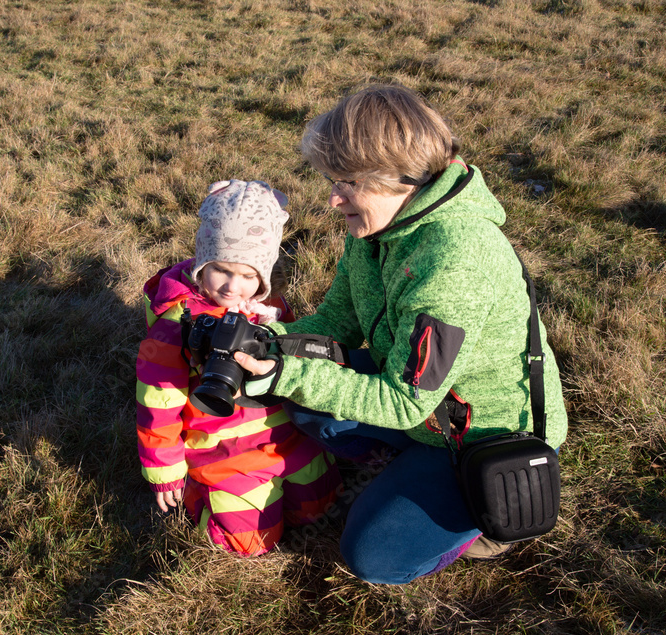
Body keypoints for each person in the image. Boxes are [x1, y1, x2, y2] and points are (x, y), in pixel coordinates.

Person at [234, 85, 568, 583]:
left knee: (375, 558)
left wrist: (286, 372)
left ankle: (480, 525)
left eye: (347, 182)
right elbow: (336, 324)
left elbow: (403, 403)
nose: (332, 198)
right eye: (332, 179)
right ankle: (405, 463)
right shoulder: (378, 229)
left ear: (402, 179)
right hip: (423, 402)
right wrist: (266, 339)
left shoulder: (454, 263)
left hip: (482, 437)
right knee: (305, 399)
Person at [135, 179, 342, 557]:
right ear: (202, 262)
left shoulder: (268, 305)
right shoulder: (178, 326)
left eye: (248, 276)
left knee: (321, 506)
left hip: (283, 434)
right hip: (221, 448)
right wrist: (165, 472)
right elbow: (157, 404)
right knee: (247, 543)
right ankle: (203, 498)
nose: (232, 287)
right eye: (221, 271)